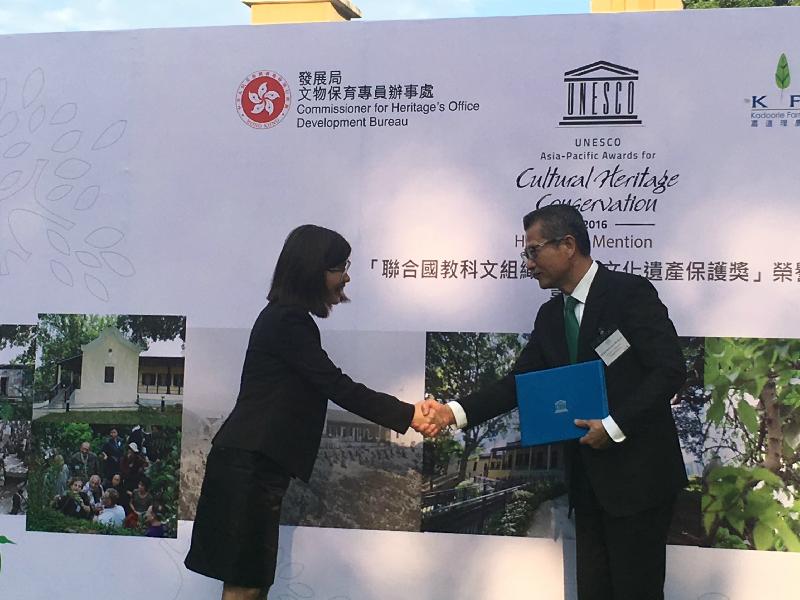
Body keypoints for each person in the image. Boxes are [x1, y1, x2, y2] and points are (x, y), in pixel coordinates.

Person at [425, 204, 687, 600]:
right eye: (526, 254)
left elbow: (669, 370)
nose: (528, 264)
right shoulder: (550, 317)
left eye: (533, 251)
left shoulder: (629, 293)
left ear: (567, 245)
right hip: (589, 484)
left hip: (640, 481)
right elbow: (519, 384)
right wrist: (452, 412)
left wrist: (614, 427)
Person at [185, 224, 439, 600]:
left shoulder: (286, 318)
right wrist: (408, 415)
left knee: (249, 584)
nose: (346, 276)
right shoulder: (288, 321)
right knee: (246, 585)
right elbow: (336, 385)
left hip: (251, 465)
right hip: (248, 468)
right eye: (340, 267)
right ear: (311, 270)